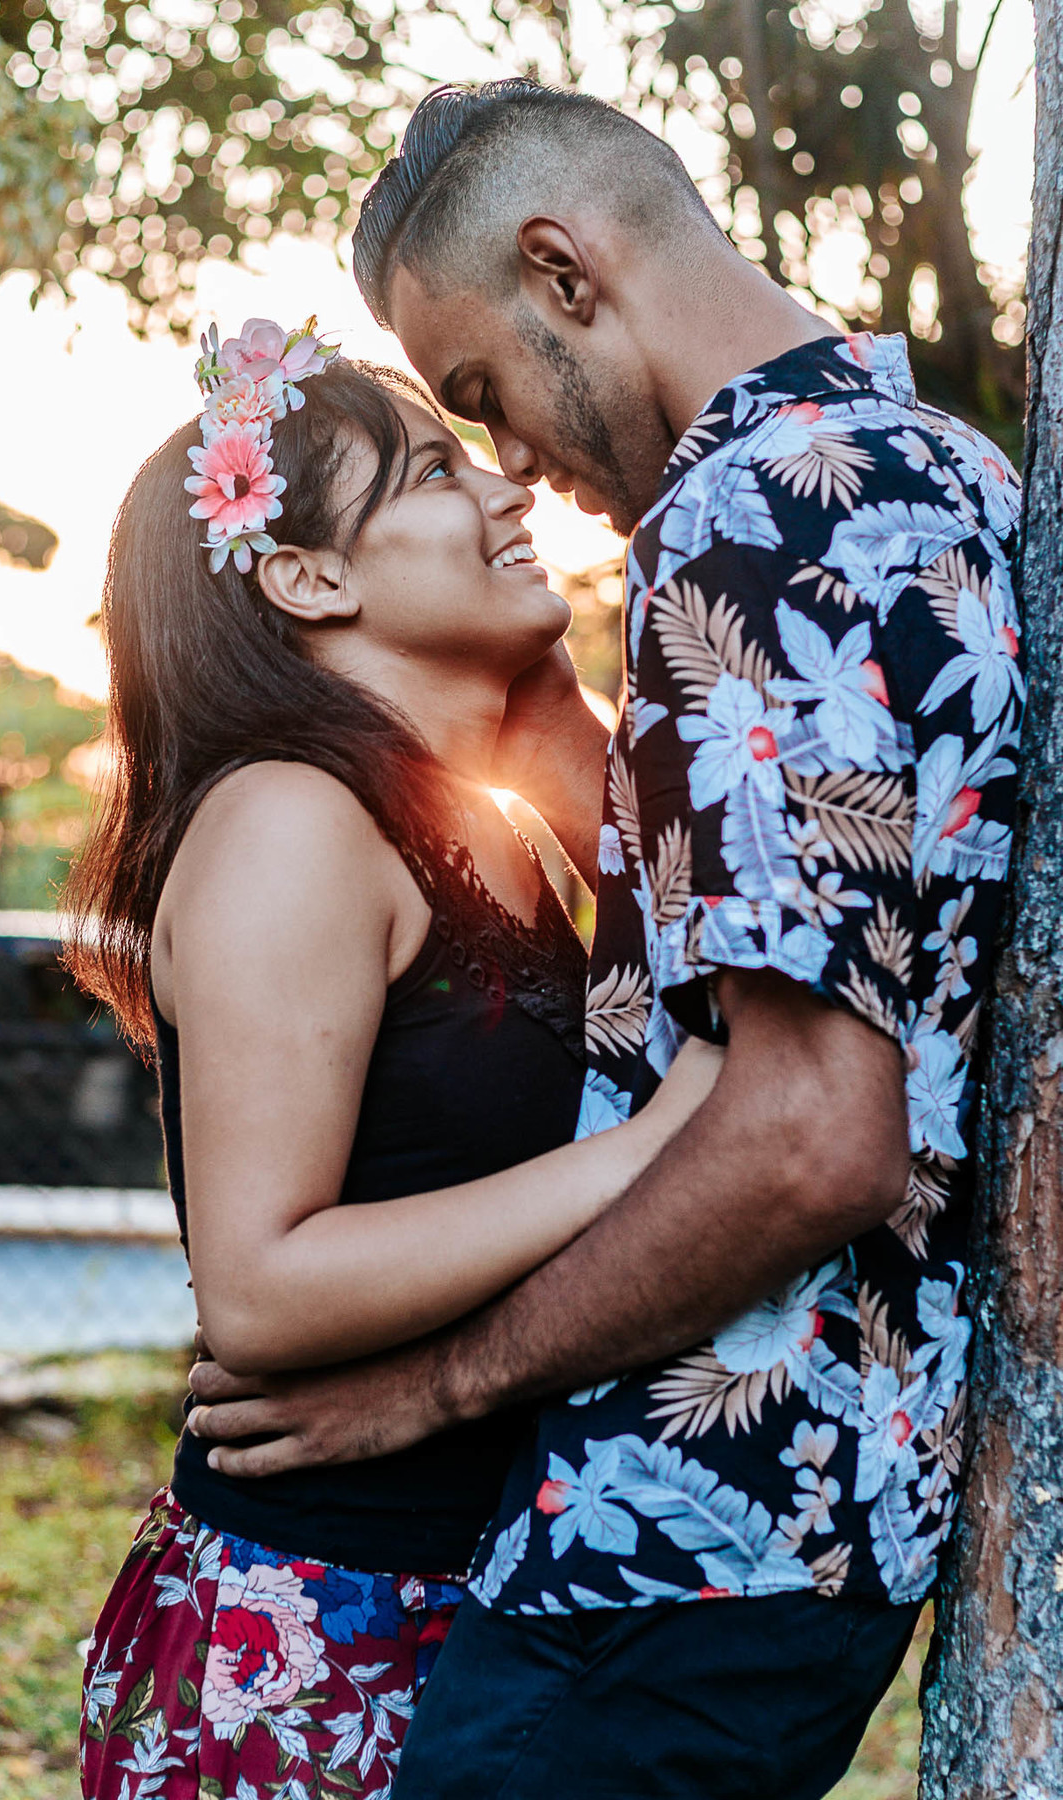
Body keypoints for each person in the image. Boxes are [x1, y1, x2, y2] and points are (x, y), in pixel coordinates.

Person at [186, 82, 1026, 1799]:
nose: (507, 464)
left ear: (566, 271)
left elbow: (808, 1136)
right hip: (808, 1504)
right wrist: (539, 683)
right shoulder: (920, 463)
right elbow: (732, 885)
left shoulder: (753, 522)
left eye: (484, 396)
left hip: (686, 1521)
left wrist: (432, 1390)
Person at [66, 315, 723, 1799]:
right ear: (306, 574)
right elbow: (263, 1282)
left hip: (470, 1616)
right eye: (436, 471)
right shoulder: (288, 824)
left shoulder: (471, 818)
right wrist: (638, 1156)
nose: (512, 493)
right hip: (313, 1639)